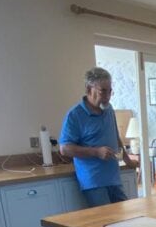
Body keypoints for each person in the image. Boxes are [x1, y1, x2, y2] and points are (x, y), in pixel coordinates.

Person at [58, 67, 137, 207]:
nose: (107, 96)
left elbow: (115, 136)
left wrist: (127, 159)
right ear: (89, 89)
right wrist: (96, 152)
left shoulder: (109, 109)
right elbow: (65, 149)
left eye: (110, 91)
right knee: (106, 222)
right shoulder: (75, 115)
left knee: (125, 220)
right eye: (103, 91)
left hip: (113, 177)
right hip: (93, 181)